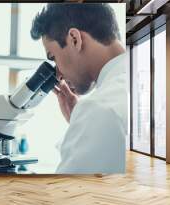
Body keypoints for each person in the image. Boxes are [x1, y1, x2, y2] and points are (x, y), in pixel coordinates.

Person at [31, 3, 127, 174]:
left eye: (53, 57)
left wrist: (86, 119)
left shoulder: (98, 108)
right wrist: (79, 123)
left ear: (75, 39)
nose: (58, 75)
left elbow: (67, 194)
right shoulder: (131, 84)